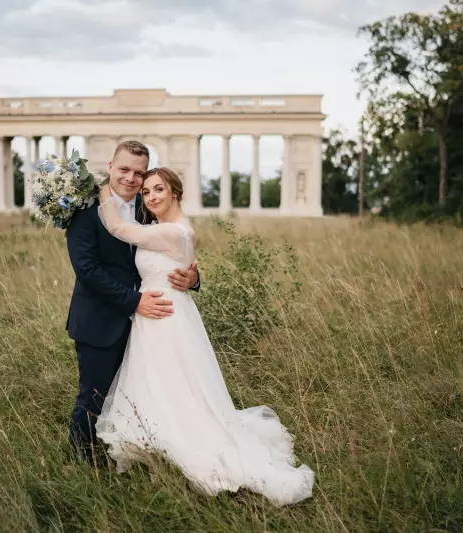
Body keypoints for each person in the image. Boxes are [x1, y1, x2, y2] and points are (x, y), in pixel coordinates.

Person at [93, 167, 314, 507]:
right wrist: (190, 277)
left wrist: (102, 189)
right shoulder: (161, 229)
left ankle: (182, 449)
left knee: (178, 388)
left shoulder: (175, 232)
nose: (151, 197)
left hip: (167, 318)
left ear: (175, 193)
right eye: (147, 192)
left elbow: (119, 228)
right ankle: (157, 454)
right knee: (158, 385)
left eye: (159, 190)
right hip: (153, 315)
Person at [65, 141, 200, 463]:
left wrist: (193, 279)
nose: (131, 179)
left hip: (150, 324)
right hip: (102, 319)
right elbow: (88, 270)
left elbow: (173, 254)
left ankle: (141, 456)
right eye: (124, 169)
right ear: (110, 166)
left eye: (139, 173)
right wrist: (134, 301)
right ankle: (81, 464)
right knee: (94, 396)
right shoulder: (83, 209)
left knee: (146, 394)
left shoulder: (148, 208)